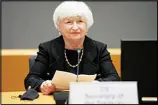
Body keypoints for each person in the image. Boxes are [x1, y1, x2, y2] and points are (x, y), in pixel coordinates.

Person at [24, 1, 120, 95]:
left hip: (88, 99)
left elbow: (114, 78)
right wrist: (43, 85)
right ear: (59, 26)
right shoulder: (47, 48)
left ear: (87, 25)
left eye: (80, 21)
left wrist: (95, 85)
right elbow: (31, 79)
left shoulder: (99, 48)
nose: (75, 27)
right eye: (69, 22)